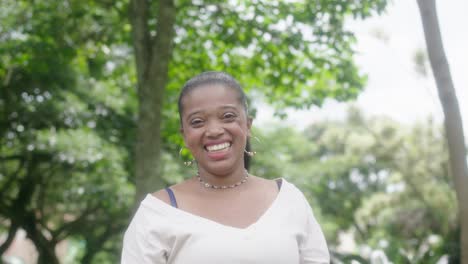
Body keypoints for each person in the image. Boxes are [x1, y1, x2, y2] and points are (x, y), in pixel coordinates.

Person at [121, 71, 330, 264]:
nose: (213, 130)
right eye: (197, 121)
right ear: (184, 135)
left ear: (247, 125)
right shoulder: (157, 213)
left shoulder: (288, 200)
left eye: (228, 116)